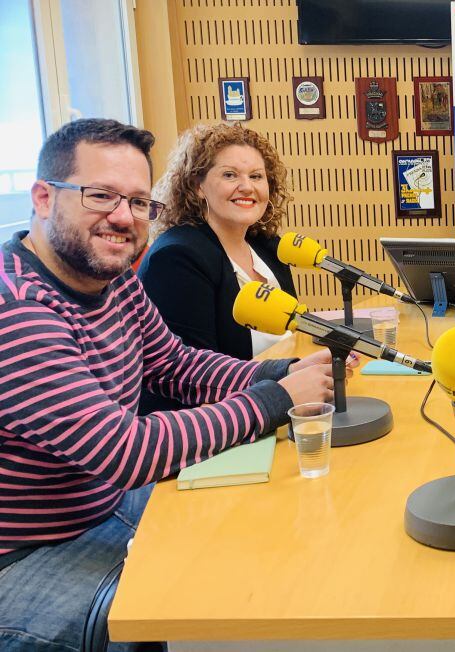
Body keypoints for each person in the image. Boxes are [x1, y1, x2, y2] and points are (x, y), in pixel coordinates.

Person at [0, 118, 337, 651]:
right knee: (192, 604)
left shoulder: (115, 283)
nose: (122, 217)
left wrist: (275, 372)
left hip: (102, 505)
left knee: (256, 536)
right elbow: (125, 451)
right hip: (28, 553)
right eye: (100, 196)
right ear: (43, 197)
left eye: (137, 202)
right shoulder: (18, 311)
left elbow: (177, 366)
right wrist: (275, 400)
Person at [137, 123, 298, 413]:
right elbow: (192, 381)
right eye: (229, 175)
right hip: (218, 424)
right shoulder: (177, 258)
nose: (247, 186)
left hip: (280, 400)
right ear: (197, 186)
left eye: (256, 176)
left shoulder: (267, 246)